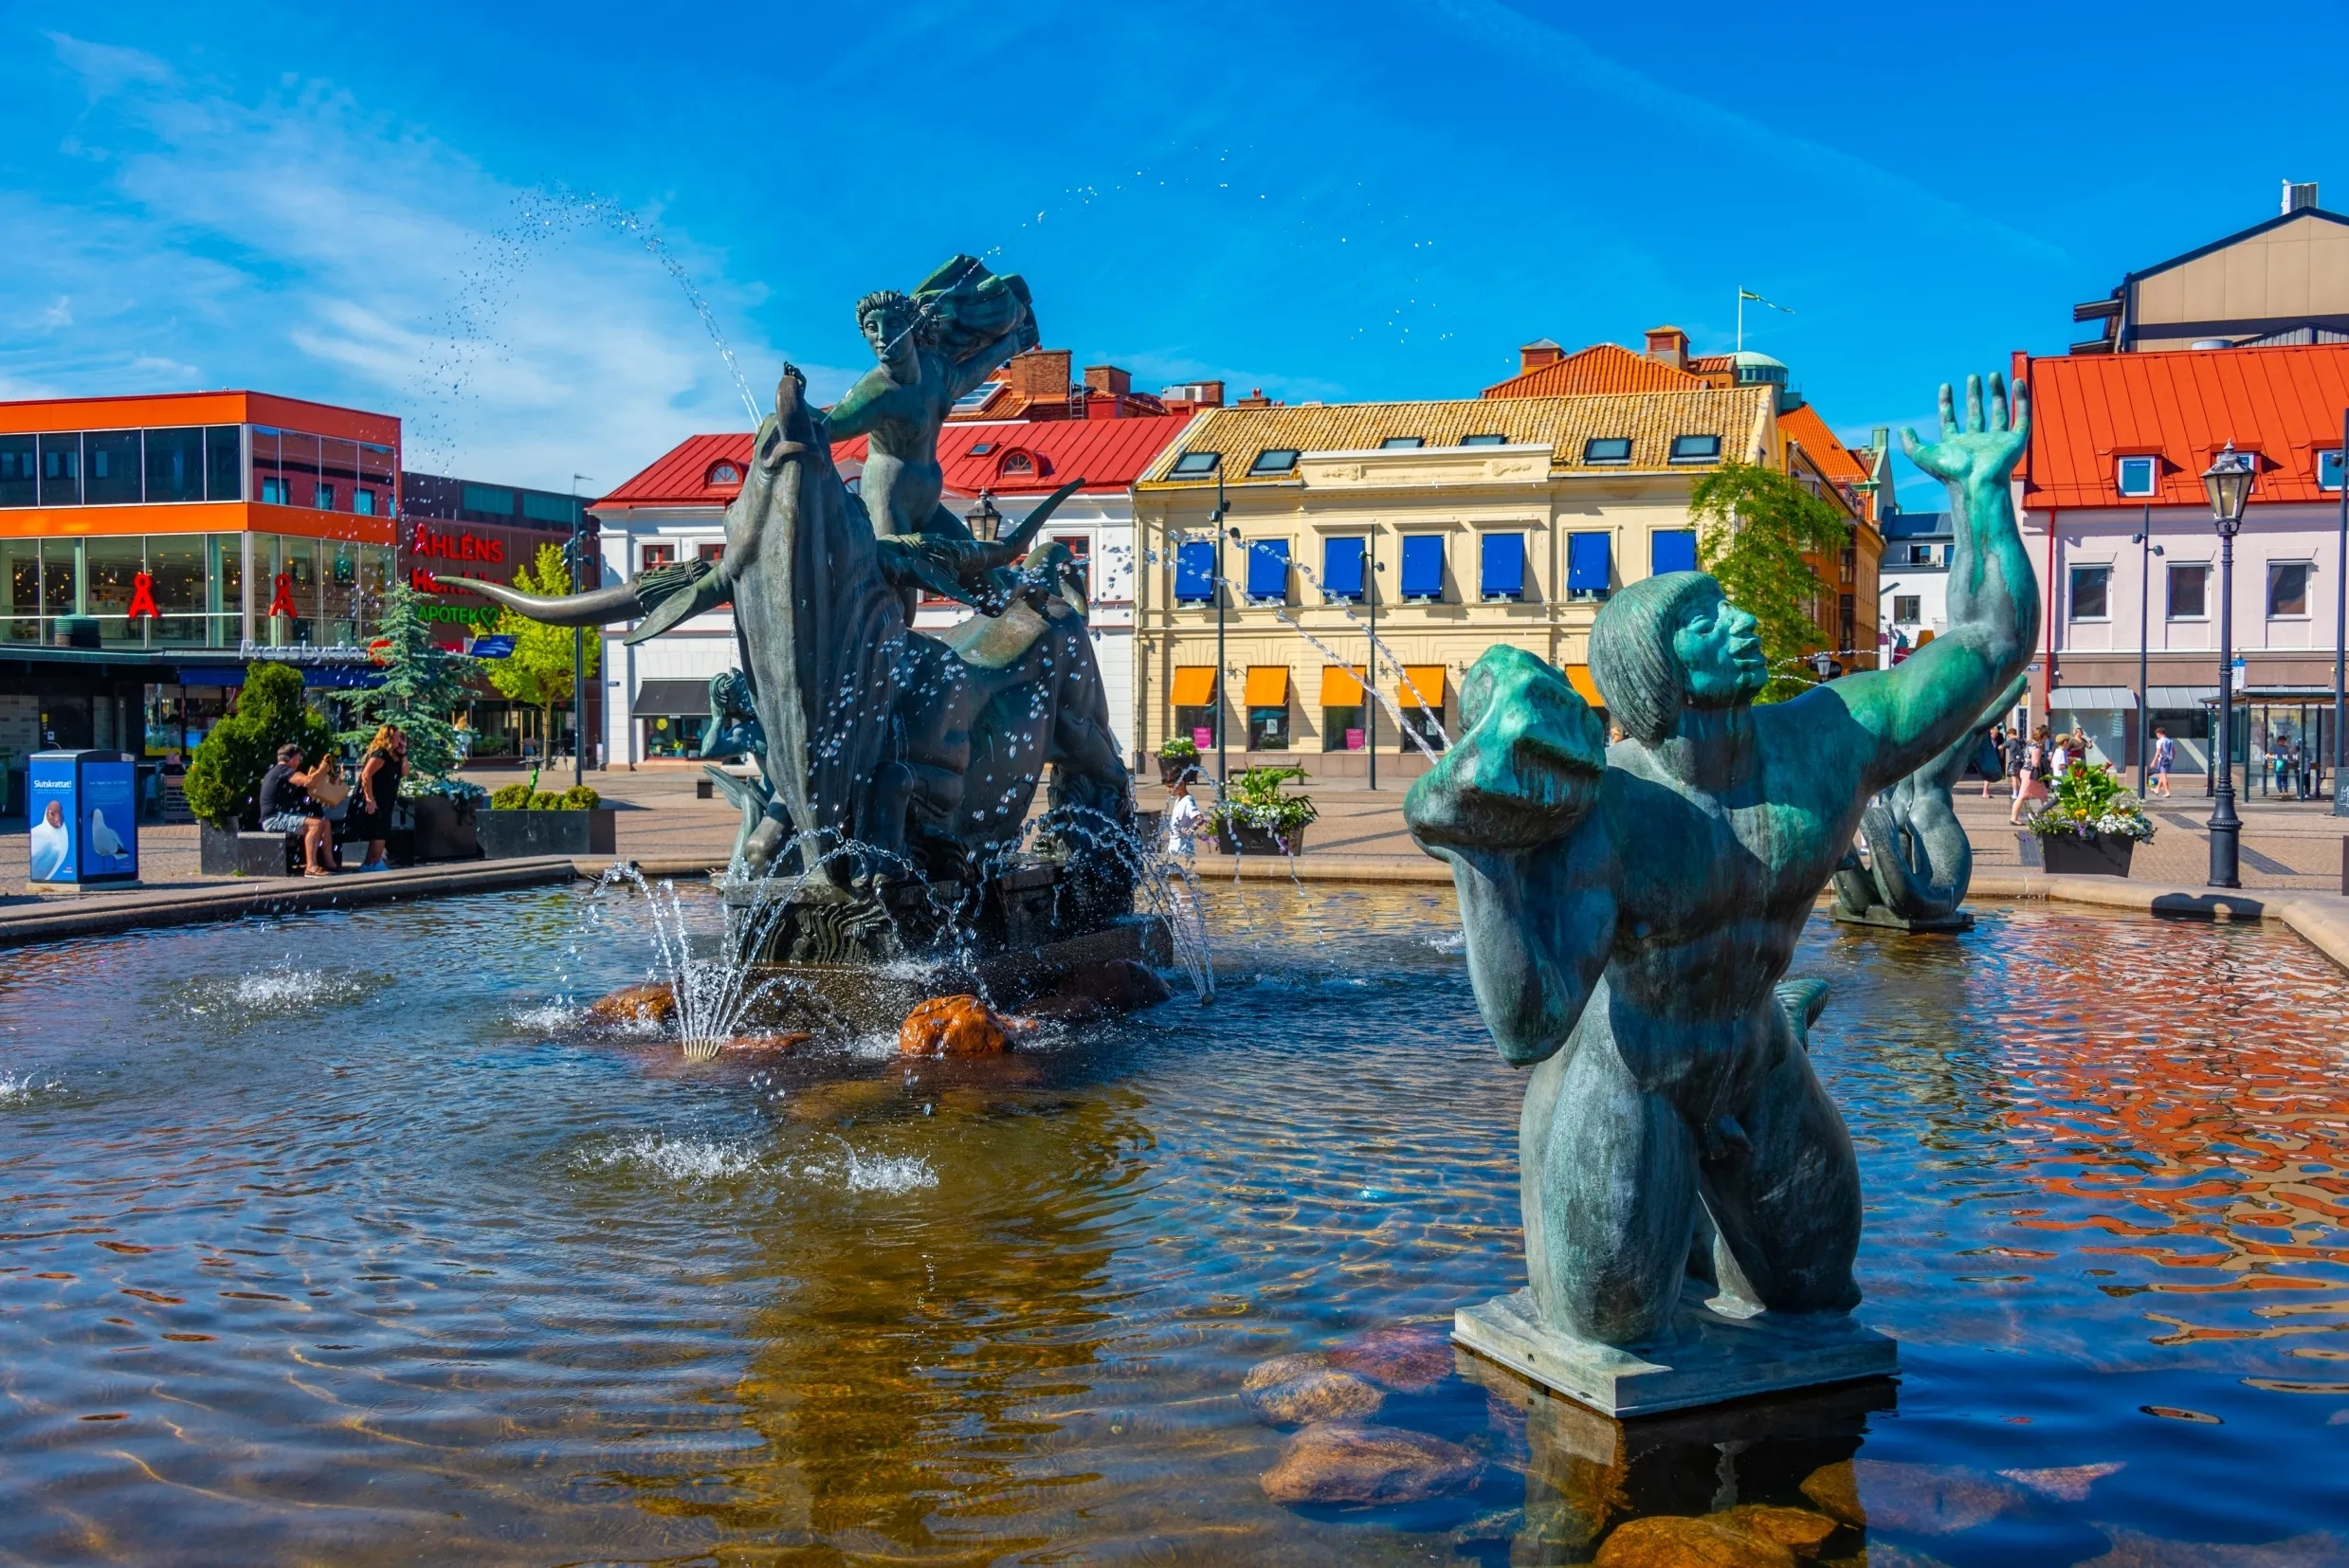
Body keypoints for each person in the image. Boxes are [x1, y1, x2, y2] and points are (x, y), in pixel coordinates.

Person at [258, 742, 333, 877]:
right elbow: (308, 781)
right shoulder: (284, 771)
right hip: (273, 818)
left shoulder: (278, 772)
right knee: (316, 825)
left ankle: (330, 864)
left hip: (280, 815)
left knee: (325, 823)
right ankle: (311, 867)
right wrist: (322, 770)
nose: (299, 762)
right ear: (291, 759)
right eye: (299, 758)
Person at [346, 725, 408, 872]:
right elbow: (366, 775)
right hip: (374, 797)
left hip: (385, 798)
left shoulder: (394, 755)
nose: (401, 739)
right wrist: (369, 798)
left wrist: (403, 753)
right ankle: (375, 862)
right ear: (390, 737)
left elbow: (404, 772)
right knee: (381, 828)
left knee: (380, 828)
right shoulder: (380, 754)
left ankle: (370, 863)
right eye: (398, 736)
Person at [2012, 723, 2051, 825]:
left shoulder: (2029, 744)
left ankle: (2046, 817)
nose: (2045, 740)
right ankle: (2013, 818)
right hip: (2032, 774)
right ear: (2042, 736)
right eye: (2045, 737)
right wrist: (2046, 760)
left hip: (2026, 771)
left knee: (2043, 795)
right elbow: (2035, 763)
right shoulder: (2036, 747)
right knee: (2022, 796)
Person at [1161, 773, 1203, 860]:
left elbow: (1200, 819)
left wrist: (1189, 830)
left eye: (1171, 786)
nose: (1168, 790)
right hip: (1174, 848)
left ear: (1182, 783)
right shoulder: (1179, 800)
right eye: (1167, 786)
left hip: (1183, 849)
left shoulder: (1188, 801)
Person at [2150, 725, 2176, 798]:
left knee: (2163, 776)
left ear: (2159, 733)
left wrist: (2153, 761)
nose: (2157, 736)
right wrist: (2172, 759)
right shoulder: (2170, 741)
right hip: (2169, 759)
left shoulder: (2159, 741)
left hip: (2162, 759)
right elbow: (2174, 752)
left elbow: (2158, 751)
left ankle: (2167, 792)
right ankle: (2157, 789)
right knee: (2162, 775)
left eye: (2157, 735)